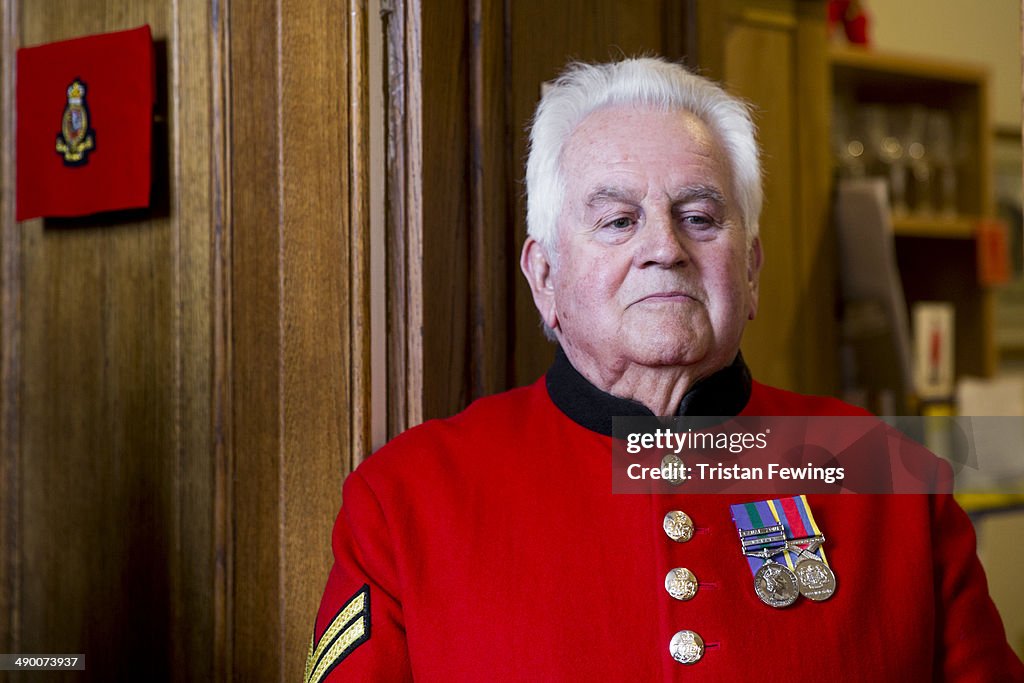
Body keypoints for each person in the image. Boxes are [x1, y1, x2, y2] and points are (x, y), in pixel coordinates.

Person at [305, 57, 1024, 681]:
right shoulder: (404, 500)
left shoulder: (890, 477)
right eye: (618, 220)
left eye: (701, 217)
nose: (665, 249)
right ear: (544, 277)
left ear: (751, 270)